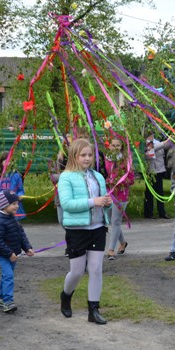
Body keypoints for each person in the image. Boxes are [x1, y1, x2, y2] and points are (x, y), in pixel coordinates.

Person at [58, 138, 112, 325]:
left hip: (97, 228)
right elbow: (66, 204)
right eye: (83, 155)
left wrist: (106, 203)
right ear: (74, 156)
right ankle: (66, 296)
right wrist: (93, 202)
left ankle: (93, 310)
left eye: (90, 155)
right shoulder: (66, 177)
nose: (87, 158)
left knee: (96, 269)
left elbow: (102, 203)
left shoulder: (98, 176)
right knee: (77, 271)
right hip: (77, 230)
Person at [0, 190, 34, 313]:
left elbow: (21, 234)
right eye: (14, 204)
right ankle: (8, 302)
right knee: (8, 276)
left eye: (17, 203)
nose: (17, 206)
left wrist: (27, 248)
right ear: (4, 205)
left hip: (14, 254)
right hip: (3, 255)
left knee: (6, 276)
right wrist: (9, 253)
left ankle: (0, 297)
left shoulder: (13, 219)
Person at [105, 137, 135, 260]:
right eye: (113, 145)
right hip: (108, 193)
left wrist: (121, 182)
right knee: (112, 221)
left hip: (121, 195)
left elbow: (131, 179)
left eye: (118, 145)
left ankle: (111, 250)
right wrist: (107, 181)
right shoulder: (106, 159)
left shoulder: (126, 160)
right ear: (109, 146)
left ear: (121, 147)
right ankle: (122, 243)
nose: (115, 148)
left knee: (116, 221)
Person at [0, 152, 26, 219]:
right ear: (1, 162)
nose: (8, 163)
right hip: (0, 207)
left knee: (13, 226)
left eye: (10, 161)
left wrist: (20, 195)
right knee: (0, 224)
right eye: (6, 161)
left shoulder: (16, 176)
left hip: (13, 207)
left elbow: (20, 190)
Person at [143, 130, 171, 220]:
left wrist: (170, 141)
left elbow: (163, 147)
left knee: (160, 192)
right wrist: (164, 142)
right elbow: (152, 150)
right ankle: (148, 213)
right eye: (149, 135)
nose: (151, 136)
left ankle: (162, 212)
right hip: (150, 171)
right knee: (149, 193)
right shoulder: (145, 143)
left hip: (159, 170)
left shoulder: (157, 142)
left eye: (152, 134)